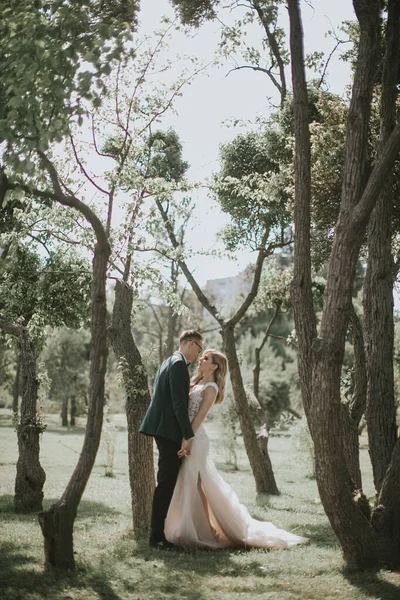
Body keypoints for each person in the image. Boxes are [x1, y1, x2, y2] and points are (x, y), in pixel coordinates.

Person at [164, 349, 309, 550]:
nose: (200, 359)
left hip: (195, 438)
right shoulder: (195, 381)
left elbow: (201, 415)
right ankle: (202, 527)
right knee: (194, 483)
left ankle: (209, 531)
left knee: (197, 483)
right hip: (186, 435)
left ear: (214, 366)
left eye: (205, 358)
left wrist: (188, 438)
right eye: (202, 356)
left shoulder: (211, 387)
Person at [139, 329, 204, 549]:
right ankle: (156, 537)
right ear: (191, 344)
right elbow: (178, 404)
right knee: (166, 483)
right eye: (199, 348)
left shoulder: (169, 361)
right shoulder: (177, 365)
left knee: (166, 481)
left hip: (163, 429)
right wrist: (188, 434)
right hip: (168, 431)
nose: (199, 354)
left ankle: (159, 532)